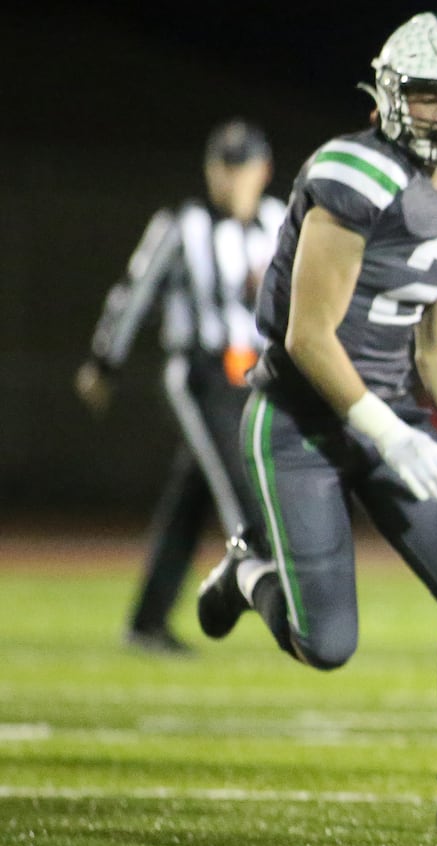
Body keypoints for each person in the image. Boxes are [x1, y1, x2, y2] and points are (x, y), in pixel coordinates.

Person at [193, 11, 437, 836]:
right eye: (430, 96)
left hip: (390, 413)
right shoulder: (353, 172)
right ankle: (248, 569)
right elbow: (307, 337)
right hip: (301, 421)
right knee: (327, 646)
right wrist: (387, 434)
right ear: (391, 94)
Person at [76, 118, 284, 656]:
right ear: (211, 171)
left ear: (264, 171)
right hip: (201, 373)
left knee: (192, 498)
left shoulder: (278, 220)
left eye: (244, 167)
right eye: (226, 167)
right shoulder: (182, 225)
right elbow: (134, 291)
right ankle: (261, 598)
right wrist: (105, 360)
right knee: (242, 494)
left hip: (255, 377)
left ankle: (146, 622)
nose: (234, 180)